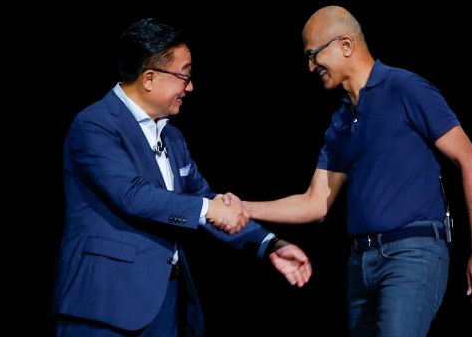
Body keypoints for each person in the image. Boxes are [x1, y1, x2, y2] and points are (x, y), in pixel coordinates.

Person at [239, 6, 472, 337]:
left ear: (345, 44)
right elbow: (315, 204)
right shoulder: (341, 122)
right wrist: (244, 208)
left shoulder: (405, 88)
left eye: (314, 55)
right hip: (361, 265)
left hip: (411, 255)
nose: (310, 66)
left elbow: (470, 160)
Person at [51, 17, 312, 337]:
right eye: (184, 75)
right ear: (149, 78)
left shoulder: (173, 138)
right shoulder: (94, 125)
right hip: (104, 304)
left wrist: (269, 244)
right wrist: (209, 208)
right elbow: (134, 195)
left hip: (164, 307)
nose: (190, 87)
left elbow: (202, 198)